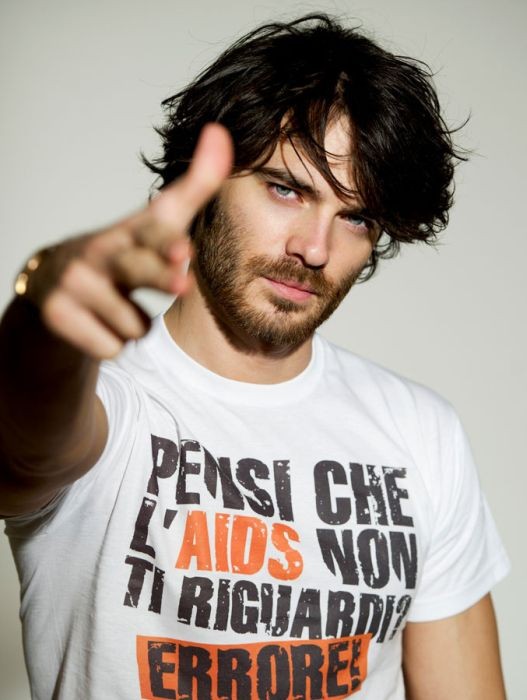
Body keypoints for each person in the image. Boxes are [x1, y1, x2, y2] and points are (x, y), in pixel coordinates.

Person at [0, 13, 509, 700]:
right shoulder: (107, 404)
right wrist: (43, 315)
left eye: (355, 217)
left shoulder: (420, 433)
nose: (314, 249)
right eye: (285, 188)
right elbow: (24, 444)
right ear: (202, 183)